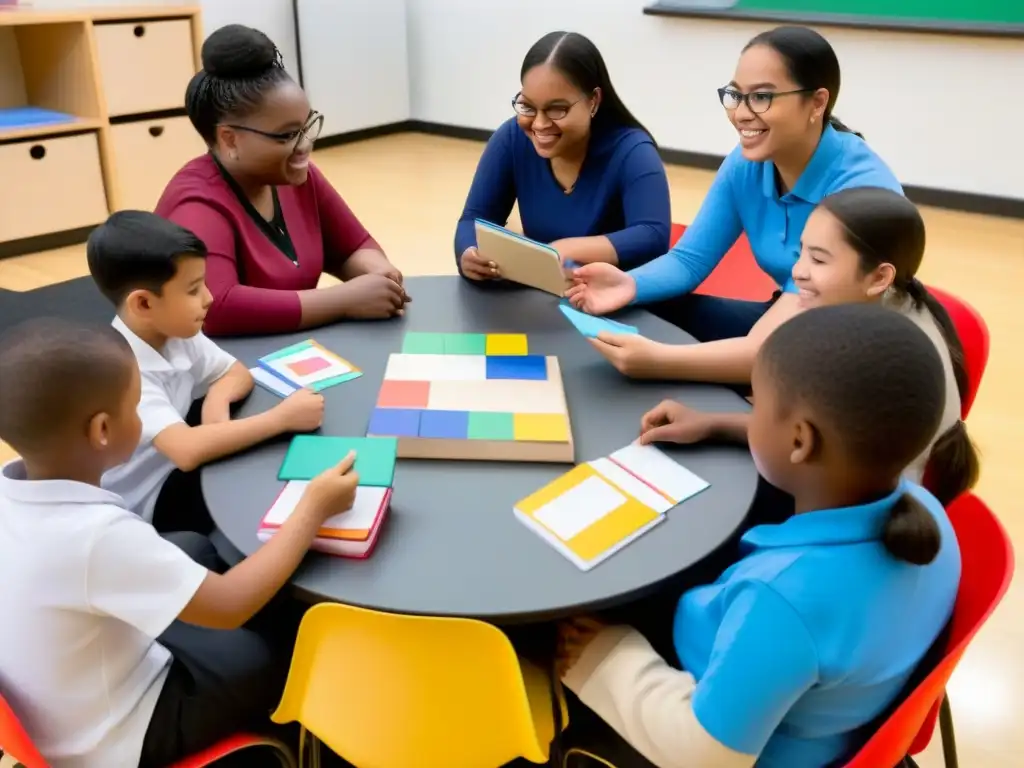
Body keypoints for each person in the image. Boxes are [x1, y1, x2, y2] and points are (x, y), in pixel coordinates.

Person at [556, 304, 962, 768]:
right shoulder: (927, 513)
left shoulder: (783, 602)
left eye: (756, 402)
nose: (749, 410)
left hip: (724, 732)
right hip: (815, 709)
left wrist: (606, 658)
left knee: (547, 625)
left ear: (800, 441)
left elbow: (705, 754)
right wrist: (715, 423)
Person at [0, 317, 360, 767]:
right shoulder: (95, 536)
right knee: (266, 651)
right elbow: (231, 605)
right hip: (124, 735)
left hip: (61, 703)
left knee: (190, 546)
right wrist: (312, 509)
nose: (144, 419)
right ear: (102, 431)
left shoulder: (11, 490)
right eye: (136, 409)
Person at [566, 25, 902, 381]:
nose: (741, 113)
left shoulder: (860, 190)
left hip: (850, 354)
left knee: (667, 349)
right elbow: (689, 260)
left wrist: (660, 361)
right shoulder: (746, 165)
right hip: (788, 317)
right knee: (648, 306)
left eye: (761, 97)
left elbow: (766, 351)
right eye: (735, 95)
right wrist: (629, 284)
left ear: (817, 102)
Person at [637, 186, 980, 503]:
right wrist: (711, 423)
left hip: (856, 509)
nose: (797, 272)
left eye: (818, 260)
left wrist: (714, 422)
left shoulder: (870, 358)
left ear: (879, 277)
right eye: (801, 253)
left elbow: (795, 445)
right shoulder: (894, 306)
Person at [157, 23, 408, 337]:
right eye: (288, 135)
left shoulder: (296, 176)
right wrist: (343, 300)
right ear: (230, 140)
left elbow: (350, 246)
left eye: (307, 126)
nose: (305, 145)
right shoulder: (196, 204)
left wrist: (378, 274)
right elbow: (217, 307)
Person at [88, 211, 326, 534]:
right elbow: (187, 451)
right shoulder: (124, 371)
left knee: (254, 440)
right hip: (153, 501)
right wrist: (281, 418)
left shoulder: (173, 330)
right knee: (259, 481)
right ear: (143, 304)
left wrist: (218, 396)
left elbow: (235, 372)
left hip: (175, 456)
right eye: (193, 290)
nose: (209, 298)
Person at [455, 31, 670, 282]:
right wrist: (469, 252)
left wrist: (563, 251)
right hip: (543, 297)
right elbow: (474, 218)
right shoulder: (512, 138)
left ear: (593, 101)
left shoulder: (633, 151)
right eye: (528, 107)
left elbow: (653, 235)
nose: (539, 124)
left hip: (615, 305)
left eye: (557, 109)